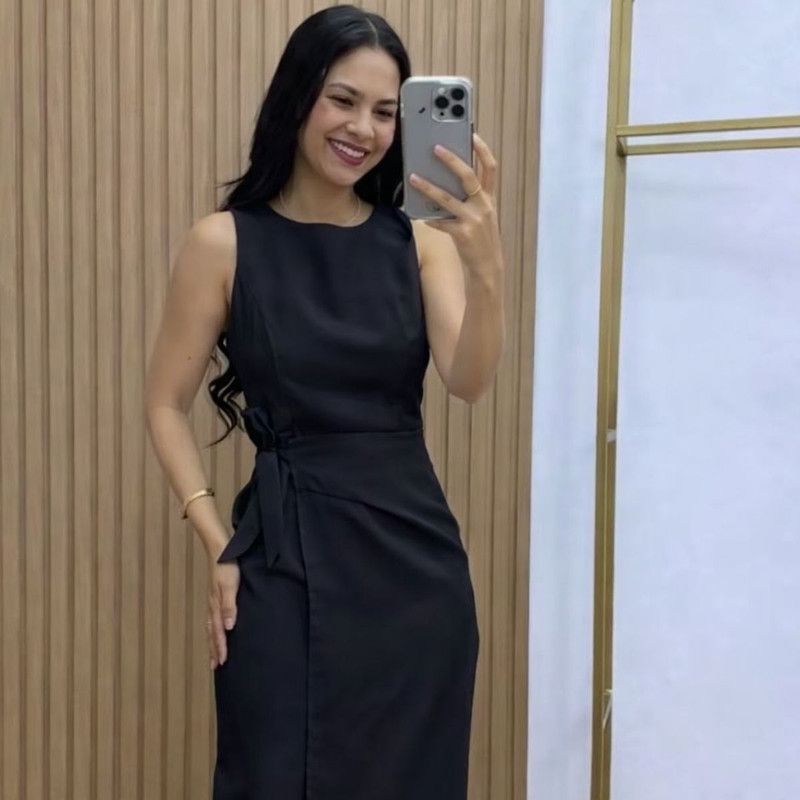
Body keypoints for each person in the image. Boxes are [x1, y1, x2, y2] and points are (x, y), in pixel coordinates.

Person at [144, 5, 505, 799]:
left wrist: (487, 267)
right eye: (343, 100)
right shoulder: (223, 242)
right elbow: (165, 404)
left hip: (415, 576)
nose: (362, 129)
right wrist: (214, 540)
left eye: (384, 111)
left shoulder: (421, 244)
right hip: (280, 561)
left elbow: (471, 379)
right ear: (299, 97)